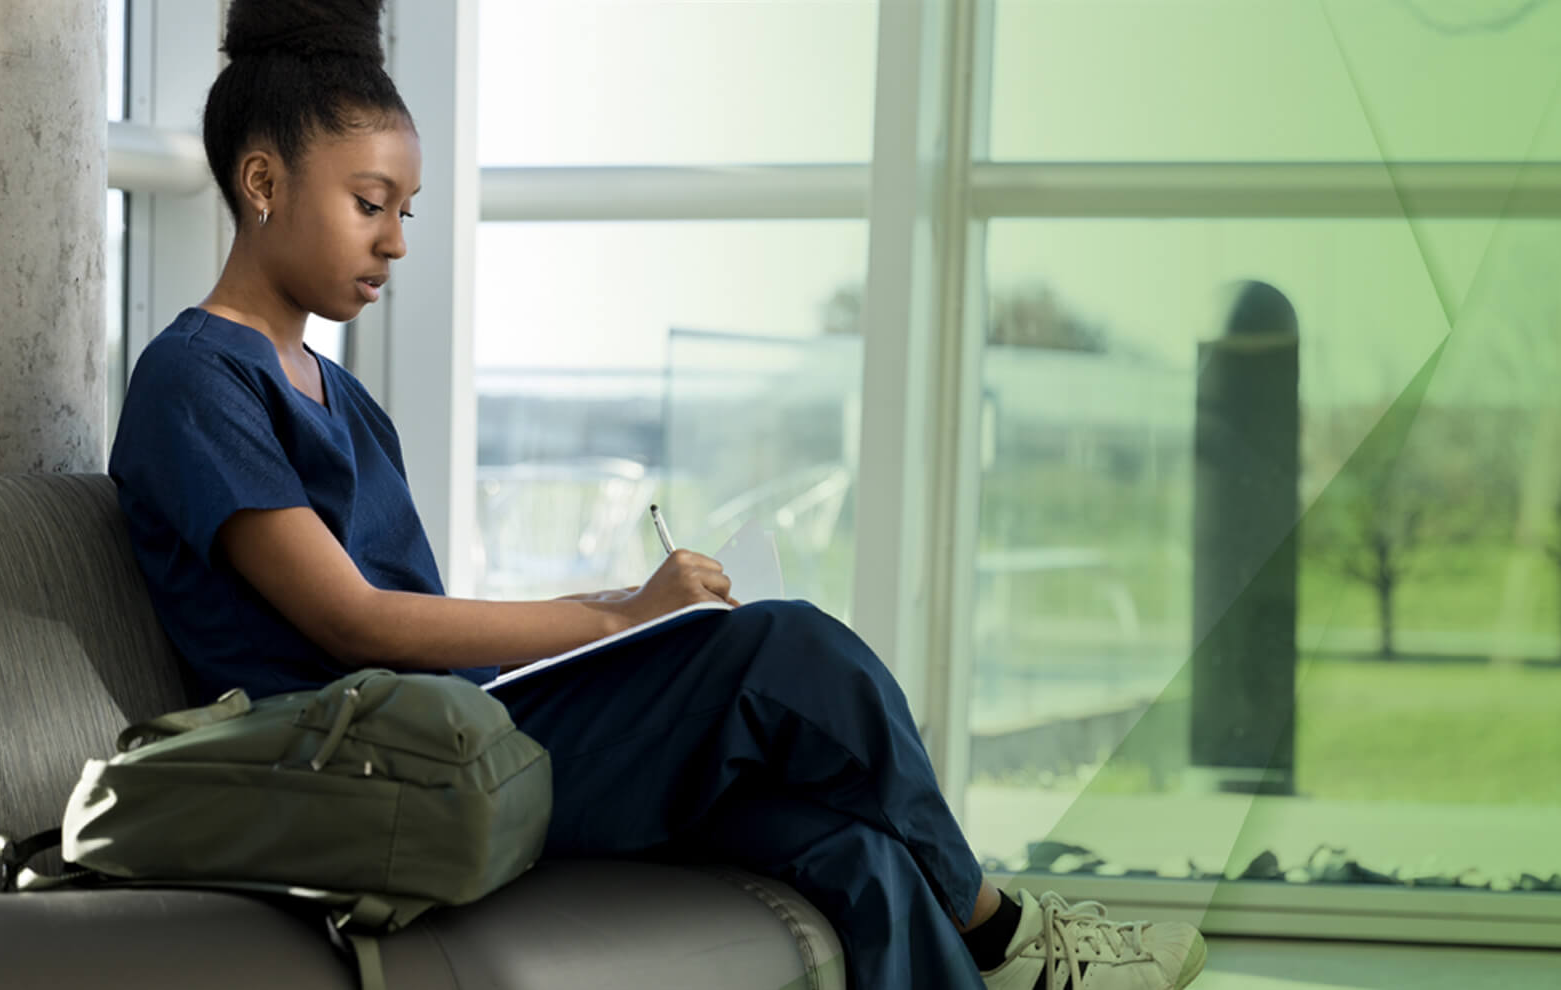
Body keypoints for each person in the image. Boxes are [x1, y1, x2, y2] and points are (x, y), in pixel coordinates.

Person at [105, 2, 1206, 988]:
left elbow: (424, 636)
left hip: (453, 743)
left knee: (852, 853)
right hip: (358, 780)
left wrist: (615, 619)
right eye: (370, 204)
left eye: (407, 209)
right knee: (788, 655)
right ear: (262, 184)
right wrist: (616, 620)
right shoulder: (197, 379)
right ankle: (1007, 936)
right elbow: (352, 621)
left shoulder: (343, 396)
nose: (396, 241)